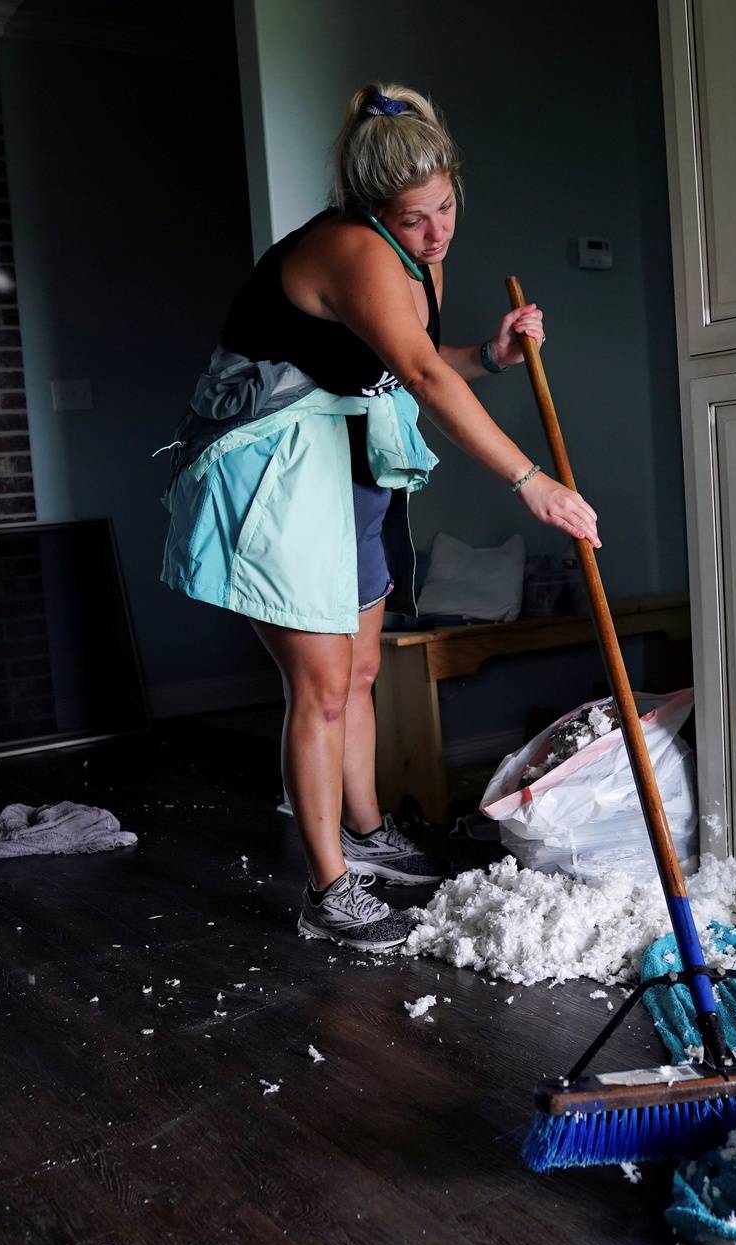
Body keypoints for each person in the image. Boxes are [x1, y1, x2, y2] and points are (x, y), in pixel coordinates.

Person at [160, 82, 600, 951]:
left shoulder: (413, 256)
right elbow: (425, 384)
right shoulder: (354, 249)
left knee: (360, 669)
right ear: (371, 211)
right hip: (273, 467)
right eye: (413, 220)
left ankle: (366, 834)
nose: (436, 233)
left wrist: (493, 354)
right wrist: (531, 481)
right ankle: (328, 887)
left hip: (345, 457)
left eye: (445, 207)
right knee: (320, 688)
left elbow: (413, 362)